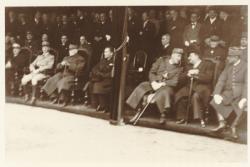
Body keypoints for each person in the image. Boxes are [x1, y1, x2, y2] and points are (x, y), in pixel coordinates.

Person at [126, 48, 184, 124]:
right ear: (172, 55)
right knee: (143, 85)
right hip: (154, 83)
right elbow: (152, 72)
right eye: (178, 56)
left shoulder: (179, 69)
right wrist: (153, 82)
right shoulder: (161, 60)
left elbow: (174, 82)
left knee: (165, 92)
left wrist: (162, 84)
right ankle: (138, 109)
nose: (179, 59)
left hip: (166, 86)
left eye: (180, 57)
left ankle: (163, 114)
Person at [210, 47, 247, 140]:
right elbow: (221, 80)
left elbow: (248, 84)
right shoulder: (228, 66)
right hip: (228, 93)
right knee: (215, 101)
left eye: (230, 56)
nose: (228, 58)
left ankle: (233, 128)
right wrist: (216, 93)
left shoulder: (246, 66)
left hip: (240, 93)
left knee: (241, 106)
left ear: (236, 57)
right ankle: (222, 123)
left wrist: (245, 97)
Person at [175, 47, 214, 127]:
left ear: (197, 56)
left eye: (190, 56)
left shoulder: (207, 64)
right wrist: (187, 74)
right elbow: (180, 78)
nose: (189, 58)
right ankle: (182, 117)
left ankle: (200, 118)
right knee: (180, 94)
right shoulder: (188, 66)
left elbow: (208, 78)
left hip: (203, 87)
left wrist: (196, 74)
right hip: (190, 86)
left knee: (196, 95)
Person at [88, 46, 114, 112]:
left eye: (106, 52)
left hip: (109, 79)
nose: (104, 53)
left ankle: (104, 106)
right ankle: (97, 104)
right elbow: (94, 68)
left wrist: (102, 75)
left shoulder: (114, 61)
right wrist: (99, 74)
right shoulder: (102, 60)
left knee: (98, 85)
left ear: (111, 53)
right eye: (104, 52)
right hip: (101, 78)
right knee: (91, 84)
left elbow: (112, 73)